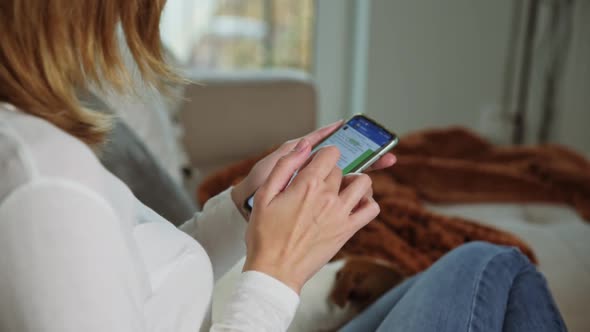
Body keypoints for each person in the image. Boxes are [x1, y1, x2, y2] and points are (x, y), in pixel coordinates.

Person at [0, 1, 565, 332]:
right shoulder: (47, 180)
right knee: (491, 272)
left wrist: (245, 205)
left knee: (491, 265)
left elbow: (141, 281)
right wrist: (276, 272)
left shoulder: (36, 151)